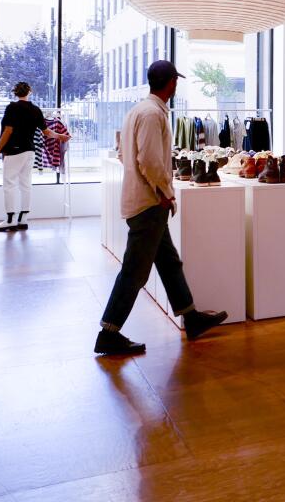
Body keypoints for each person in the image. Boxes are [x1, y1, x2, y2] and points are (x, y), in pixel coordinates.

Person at [95, 59, 228, 356]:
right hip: (149, 204)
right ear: (171, 83)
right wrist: (165, 193)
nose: (176, 85)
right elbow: (152, 161)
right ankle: (108, 332)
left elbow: (124, 153)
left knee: (168, 262)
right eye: (176, 81)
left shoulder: (136, 111)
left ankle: (191, 317)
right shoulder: (154, 114)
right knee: (134, 272)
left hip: (141, 201)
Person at [0, 81, 71, 232]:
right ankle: (23, 219)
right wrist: (60, 136)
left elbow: (7, 131)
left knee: (9, 184)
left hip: (14, 150)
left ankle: (10, 220)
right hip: (30, 151)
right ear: (29, 92)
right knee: (25, 184)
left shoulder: (12, 108)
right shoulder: (35, 109)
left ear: (15, 92)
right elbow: (46, 132)